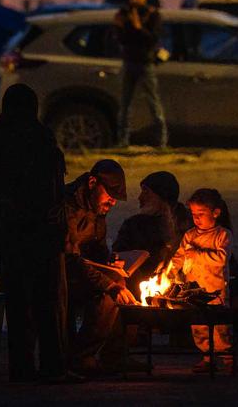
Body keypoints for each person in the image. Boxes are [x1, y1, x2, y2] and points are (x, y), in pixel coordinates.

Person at [0, 84, 71, 383]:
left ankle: (22, 367)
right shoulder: (40, 140)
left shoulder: (0, 140)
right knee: (46, 303)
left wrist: (8, 216)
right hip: (41, 237)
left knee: (19, 306)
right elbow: (50, 190)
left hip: (11, 237)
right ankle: (52, 367)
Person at [63, 159, 139, 374]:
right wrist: (109, 284)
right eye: (110, 195)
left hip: (81, 270)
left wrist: (112, 265)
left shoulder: (98, 208)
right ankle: (80, 357)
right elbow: (71, 259)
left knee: (124, 283)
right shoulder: (68, 207)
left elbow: (97, 247)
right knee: (111, 294)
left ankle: (115, 355)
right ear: (92, 182)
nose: (112, 202)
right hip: (60, 273)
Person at [165, 188, 234, 373]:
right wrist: (169, 272)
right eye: (194, 214)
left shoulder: (222, 235)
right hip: (194, 291)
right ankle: (207, 357)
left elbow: (221, 259)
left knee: (219, 327)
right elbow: (179, 256)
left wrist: (196, 254)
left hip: (216, 290)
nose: (196, 218)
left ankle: (228, 359)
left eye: (201, 214)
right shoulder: (189, 235)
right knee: (199, 326)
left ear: (216, 213)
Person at [112, 171, 193, 297]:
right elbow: (118, 259)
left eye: (146, 193)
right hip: (141, 292)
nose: (140, 198)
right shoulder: (134, 226)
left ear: (162, 196)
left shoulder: (189, 222)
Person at [113, 0, 167, 148]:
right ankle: (122, 141)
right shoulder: (124, 15)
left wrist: (138, 27)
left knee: (153, 103)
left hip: (145, 62)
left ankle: (161, 141)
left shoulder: (152, 15)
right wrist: (124, 25)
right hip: (130, 61)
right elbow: (120, 38)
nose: (134, 0)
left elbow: (153, 38)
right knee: (125, 105)